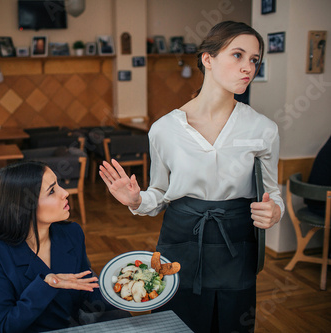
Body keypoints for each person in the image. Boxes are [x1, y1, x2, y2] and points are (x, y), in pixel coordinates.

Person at [99, 21, 284, 333]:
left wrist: (274, 210)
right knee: (180, 323)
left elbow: (273, 192)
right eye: (237, 55)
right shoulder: (164, 129)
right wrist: (136, 200)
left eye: (254, 60)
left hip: (236, 244)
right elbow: (159, 192)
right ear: (207, 59)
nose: (248, 67)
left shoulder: (263, 129)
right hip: (180, 240)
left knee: (234, 324)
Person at [0, 161, 127, 333]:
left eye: (58, 185)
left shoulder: (71, 233)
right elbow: (4, 327)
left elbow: (87, 291)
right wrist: (46, 284)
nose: (65, 193)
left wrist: (122, 291)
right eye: (52, 191)